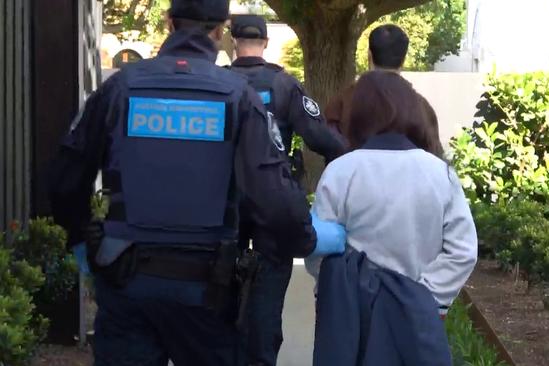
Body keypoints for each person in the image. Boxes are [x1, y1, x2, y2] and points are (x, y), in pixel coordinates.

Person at [48, 1, 346, 365]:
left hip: (126, 282)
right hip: (206, 291)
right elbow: (274, 200)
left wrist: (82, 241)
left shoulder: (121, 87)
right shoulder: (239, 96)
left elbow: (65, 179)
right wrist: (308, 239)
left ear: (170, 22)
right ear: (221, 31)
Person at [306, 71, 478, 365]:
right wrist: (427, 296)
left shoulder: (341, 171)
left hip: (351, 316)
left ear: (357, 114)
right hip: (417, 314)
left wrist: (341, 290)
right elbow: (463, 250)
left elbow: (316, 248)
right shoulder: (439, 173)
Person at [226, 14, 346, 366]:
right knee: (265, 316)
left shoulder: (219, 83)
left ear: (233, 41)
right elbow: (324, 141)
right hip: (272, 212)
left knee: (220, 310)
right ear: (264, 43)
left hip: (223, 210)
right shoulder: (283, 85)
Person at [325, 24, 436, 145]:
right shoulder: (421, 107)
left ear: (369, 56)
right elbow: (433, 151)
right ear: (403, 60)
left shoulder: (341, 103)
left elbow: (331, 146)